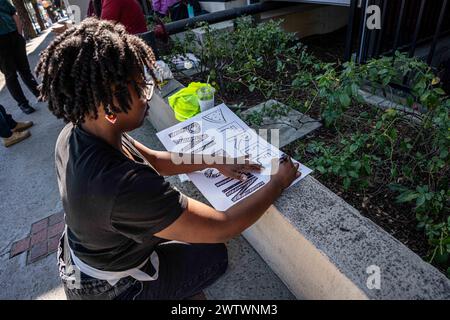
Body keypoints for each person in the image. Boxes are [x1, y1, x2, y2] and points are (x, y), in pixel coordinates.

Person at [36, 18, 300, 300]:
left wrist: (212, 158)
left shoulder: (80, 129)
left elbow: (152, 159)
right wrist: (276, 183)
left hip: (92, 257)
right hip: (112, 290)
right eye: (141, 88)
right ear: (110, 106)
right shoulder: (123, 186)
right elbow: (224, 227)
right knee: (213, 254)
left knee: (184, 232)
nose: (147, 96)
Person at [0, 0, 40, 114]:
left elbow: (14, 14)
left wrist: (19, 35)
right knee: (10, 75)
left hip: (14, 36)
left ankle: (39, 93)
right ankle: (23, 104)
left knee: (25, 69)